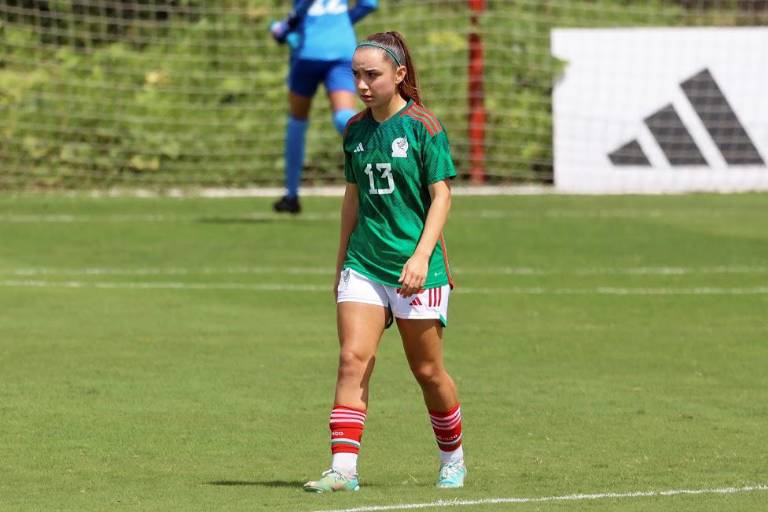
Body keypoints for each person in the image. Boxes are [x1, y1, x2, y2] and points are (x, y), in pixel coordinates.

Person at [303, 31, 466, 493]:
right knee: (352, 359)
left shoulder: (424, 127)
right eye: (356, 74)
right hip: (365, 264)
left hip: (417, 270)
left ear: (399, 74)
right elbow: (350, 203)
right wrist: (340, 266)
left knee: (427, 371)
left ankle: (452, 458)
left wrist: (419, 256)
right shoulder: (354, 131)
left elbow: (442, 196)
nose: (361, 84)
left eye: (371, 74)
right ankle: (343, 470)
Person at [269, 0, 379, 214]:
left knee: (297, 119)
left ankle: (291, 195)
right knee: (344, 117)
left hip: (309, 50)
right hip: (342, 48)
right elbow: (369, 3)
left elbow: (302, 8)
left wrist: (286, 26)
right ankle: (381, 161)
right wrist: (342, 24)